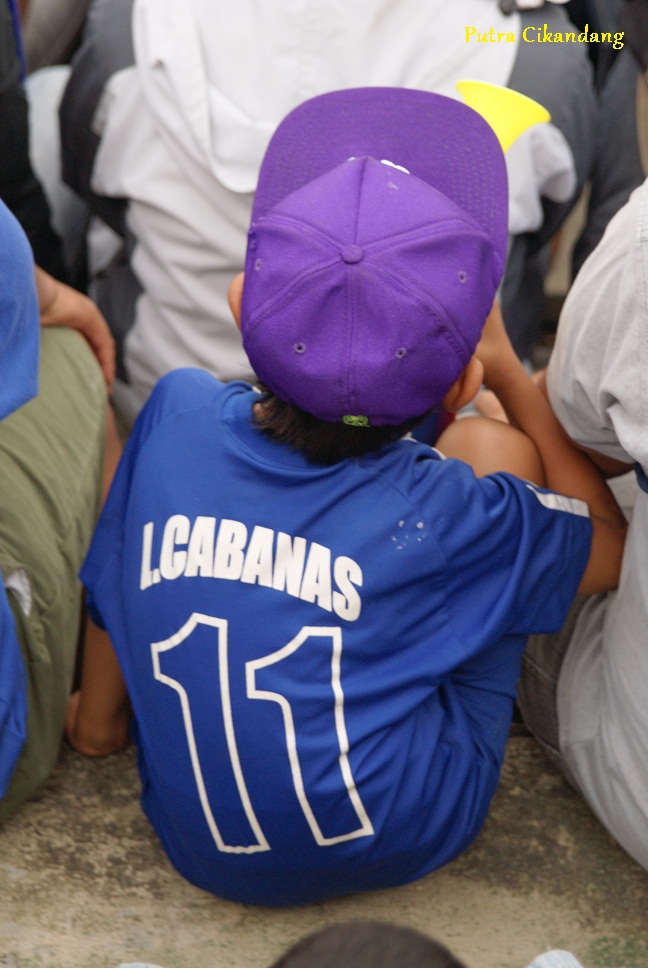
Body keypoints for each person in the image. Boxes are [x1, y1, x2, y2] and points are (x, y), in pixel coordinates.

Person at [65, 89, 625, 905]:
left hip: (192, 841)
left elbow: (112, 583)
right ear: (461, 374)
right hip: (403, 830)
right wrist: (506, 369)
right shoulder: (447, 513)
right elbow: (610, 546)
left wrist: (96, 728)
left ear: (239, 304)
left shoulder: (176, 412)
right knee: (496, 445)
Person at [58, 0, 595, 427]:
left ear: (241, 302)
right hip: (450, 439)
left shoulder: (132, 21)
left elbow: (90, 182)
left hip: (158, 395)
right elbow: (544, 232)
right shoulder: (539, 47)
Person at [518, 177, 648, 873]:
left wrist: (507, 378)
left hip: (638, 786)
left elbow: (581, 431)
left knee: (494, 456)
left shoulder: (645, 237)